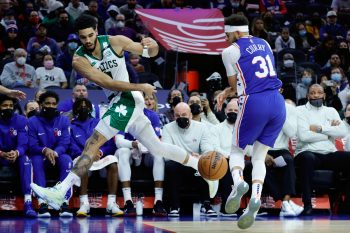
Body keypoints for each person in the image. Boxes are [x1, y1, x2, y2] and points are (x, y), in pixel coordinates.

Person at [30, 13, 218, 210]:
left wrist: (151, 44)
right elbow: (107, 83)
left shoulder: (116, 42)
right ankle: (200, 167)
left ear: (96, 32)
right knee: (158, 149)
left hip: (127, 100)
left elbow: (150, 52)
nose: (87, 40)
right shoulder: (79, 60)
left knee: (92, 143)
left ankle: (61, 192)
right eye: (83, 37)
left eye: (90, 35)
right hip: (124, 98)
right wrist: (140, 86)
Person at [216, 15, 286, 229]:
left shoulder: (229, 51)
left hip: (254, 101)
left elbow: (235, 86)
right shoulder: (264, 43)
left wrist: (225, 91)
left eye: (227, 34)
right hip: (277, 101)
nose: (226, 38)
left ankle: (238, 184)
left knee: (236, 150)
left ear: (236, 32)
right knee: (259, 157)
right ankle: (255, 197)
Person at [295, 84, 350, 215]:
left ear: (324, 95)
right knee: (307, 158)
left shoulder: (331, 111)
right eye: (312, 93)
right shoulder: (299, 110)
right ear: (308, 95)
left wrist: (320, 128)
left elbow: (342, 132)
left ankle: (346, 204)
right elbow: (304, 136)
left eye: (319, 92)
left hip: (329, 153)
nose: (316, 95)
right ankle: (307, 205)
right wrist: (330, 132)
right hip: (307, 152)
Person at [163, 102, 216, 217]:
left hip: (195, 163)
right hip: (177, 164)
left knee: (205, 163)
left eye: (184, 114)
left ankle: (206, 204)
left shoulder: (202, 127)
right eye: (177, 115)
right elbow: (166, 154)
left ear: (191, 115)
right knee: (170, 166)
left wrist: (201, 157)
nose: (181, 118)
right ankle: (175, 206)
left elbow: (208, 149)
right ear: (173, 116)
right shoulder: (167, 128)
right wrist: (187, 157)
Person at [70, 98, 121, 217]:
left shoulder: (99, 122)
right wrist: (87, 153)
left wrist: (101, 152)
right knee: (83, 163)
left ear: (90, 109)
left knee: (113, 163)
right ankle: (84, 204)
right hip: (82, 156)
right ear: (76, 109)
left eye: (86, 105)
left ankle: (111, 204)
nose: (83, 108)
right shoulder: (71, 126)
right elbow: (71, 146)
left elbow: (110, 144)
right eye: (80, 106)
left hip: (99, 156)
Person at [28, 91, 73, 217]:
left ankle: (64, 202)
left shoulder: (64, 120)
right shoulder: (32, 121)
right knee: (35, 160)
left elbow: (65, 142)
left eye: (54, 104)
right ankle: (42, 203)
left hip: (58, 154)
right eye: (47, 103)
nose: (51, 106)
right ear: (41, 104)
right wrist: (45, 150)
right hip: (40, 154)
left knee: (67, 160)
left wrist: (55, 152)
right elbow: (32, 144)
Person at [0, 94, 36, 217]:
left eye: (10, 105)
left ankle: (28, 202)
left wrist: (16, 152)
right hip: (0, 155)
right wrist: (1, 153)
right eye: (4, 105)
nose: (8, 108)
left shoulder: (21, 120)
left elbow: (24, 143)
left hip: (15, 155)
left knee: (26, 160)